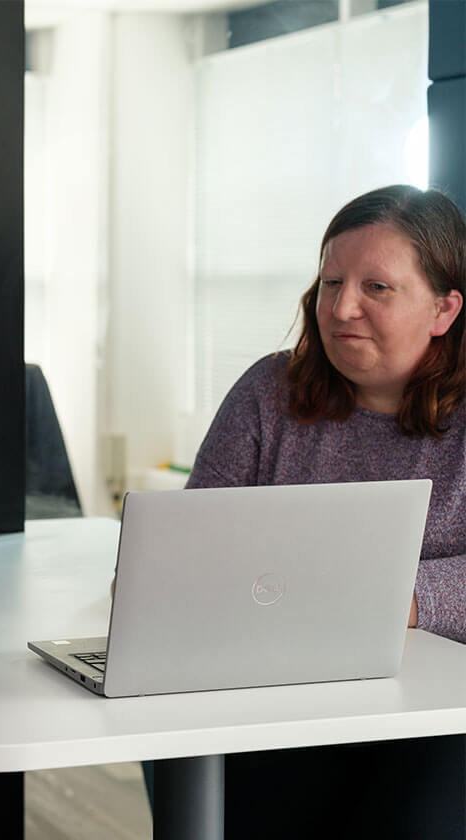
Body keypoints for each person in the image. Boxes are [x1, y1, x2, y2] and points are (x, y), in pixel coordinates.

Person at [162, 184, 466, 838]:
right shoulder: (269, 391)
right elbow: (196, 540)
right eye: (330, 283)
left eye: (376, 288)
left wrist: (401, 601)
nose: (341, 307)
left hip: (443, 713)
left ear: (443, 309)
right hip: (278, 693)